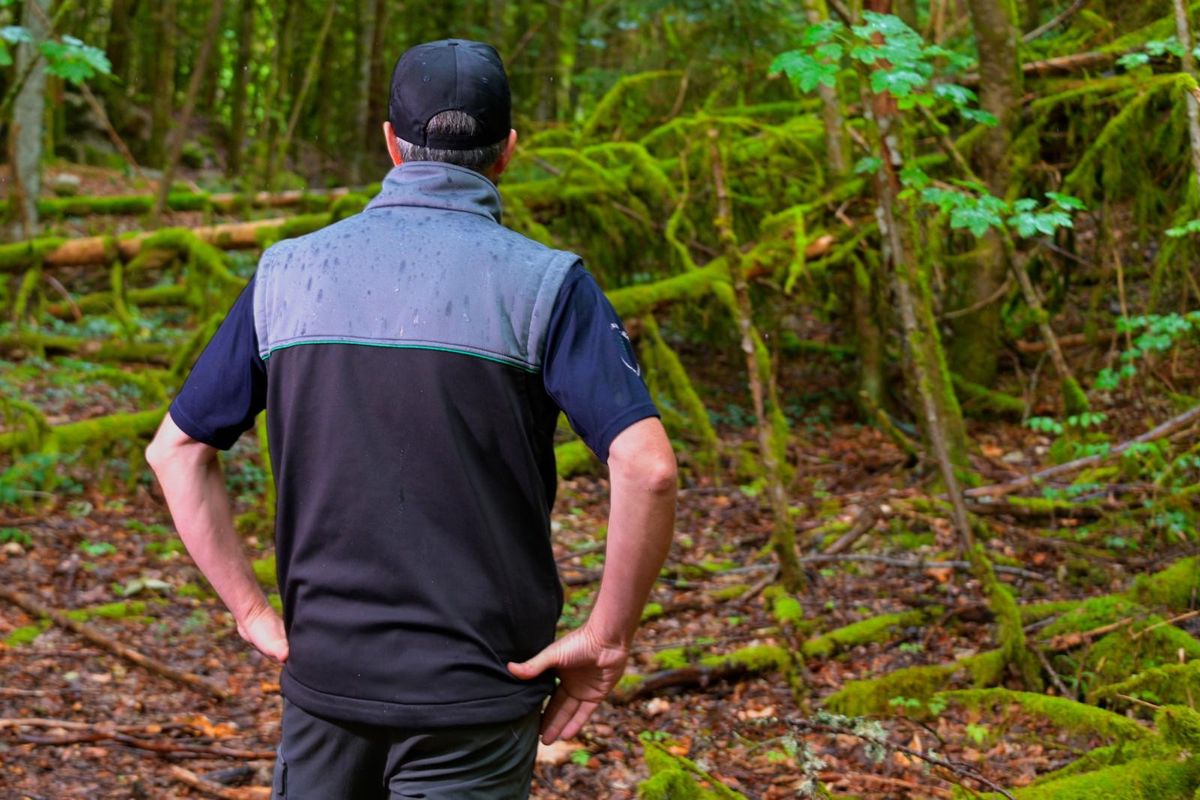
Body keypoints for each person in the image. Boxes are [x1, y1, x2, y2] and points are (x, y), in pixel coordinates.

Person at [145, 38, 677, 799]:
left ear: (390, 144)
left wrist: (253, 612)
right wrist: (608, 637)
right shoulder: (548, 286)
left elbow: (177, 451)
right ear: (509, 153)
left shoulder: (287, 274)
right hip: (479, 689)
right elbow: (649, 467)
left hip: (325, 678)